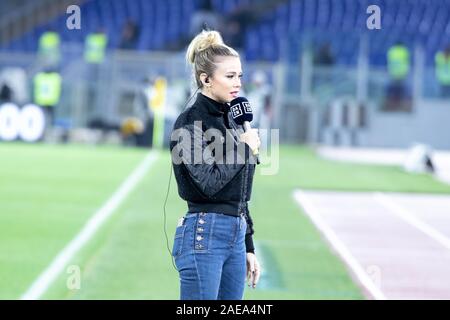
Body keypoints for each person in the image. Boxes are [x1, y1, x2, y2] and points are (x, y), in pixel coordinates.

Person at [169, 30, 261, 300]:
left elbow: (240, 191)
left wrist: (248, 245)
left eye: (240, 76)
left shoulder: (234, 121)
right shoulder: (189, 123)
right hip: (204, 232)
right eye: (230, 76)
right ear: (205, 79)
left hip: (236, 232)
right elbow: (208, 184)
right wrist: (244, 148)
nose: (238, 83)